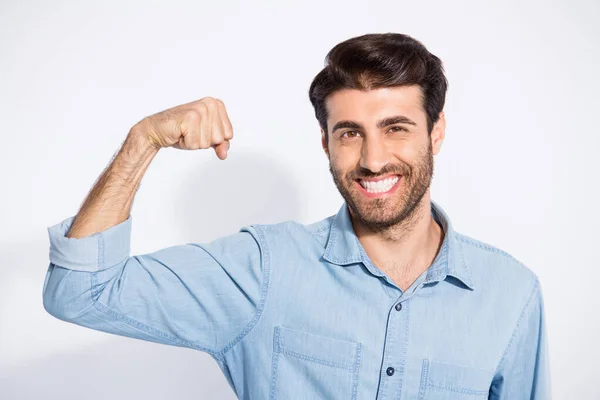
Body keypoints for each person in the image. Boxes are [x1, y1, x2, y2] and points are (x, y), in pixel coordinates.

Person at [42, 33, 551, 399]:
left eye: (396, 128)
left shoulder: (510, 294)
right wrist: (142, 141)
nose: (373, 159)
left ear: (435, 133)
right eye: (350, 133)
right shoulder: (263, 269)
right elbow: (79, 292)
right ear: (325, 142)